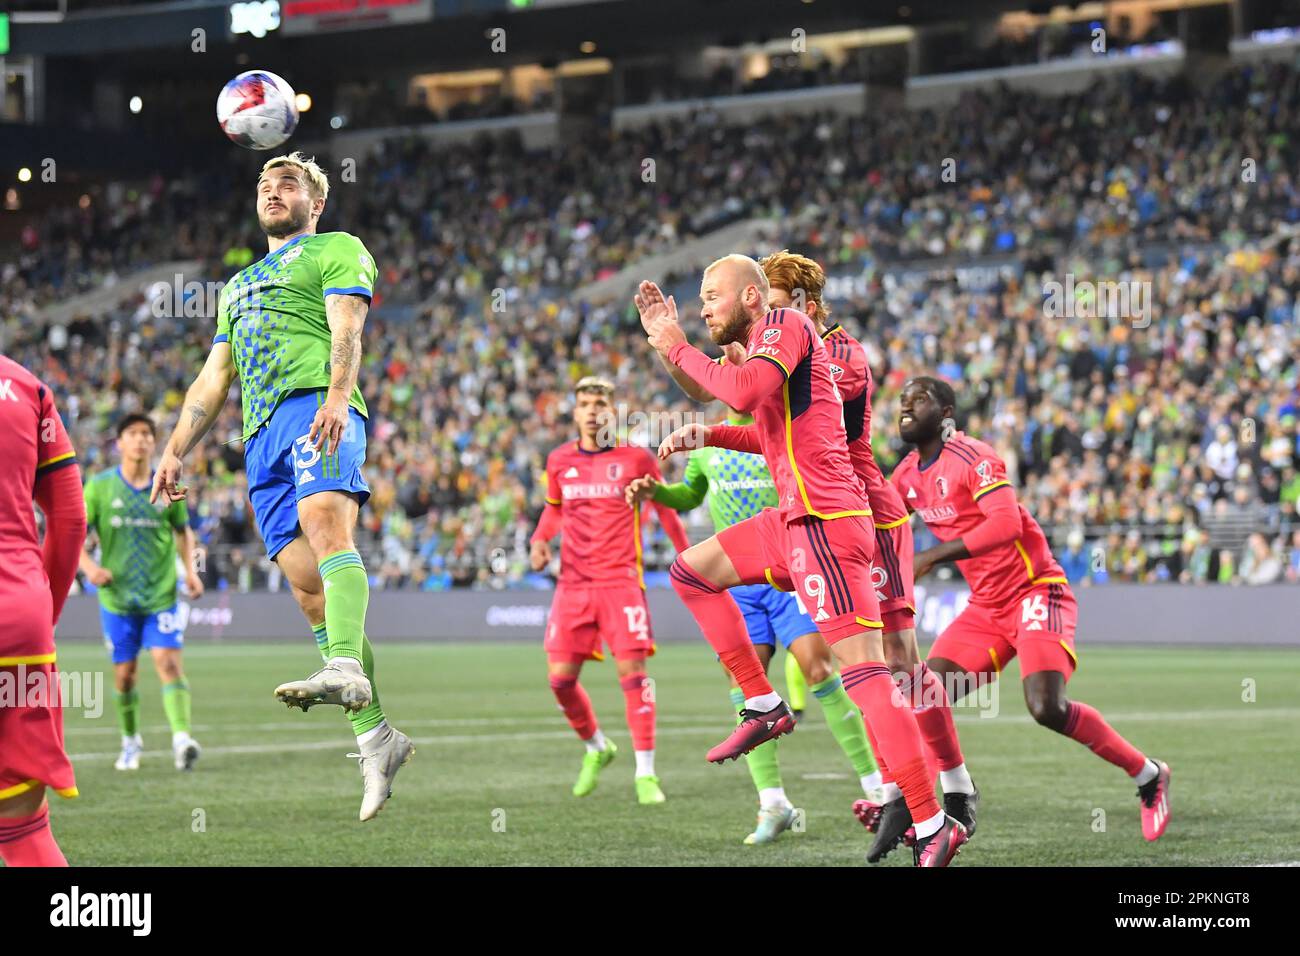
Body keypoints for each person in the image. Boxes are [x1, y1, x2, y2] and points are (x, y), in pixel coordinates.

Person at [639, 256, 967, 866]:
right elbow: (753, 416)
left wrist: (679, 343)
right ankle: (763, 704)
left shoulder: (788, 326)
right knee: (690, 570)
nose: (703, 305)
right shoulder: (767, 344)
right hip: (794, 519)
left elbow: (740, 389)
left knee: (870, 671)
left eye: (712, 295)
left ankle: (932, 818)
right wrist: (694, 405)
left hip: (827, 521)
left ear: (755, 299)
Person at [152, 151, 411, 822]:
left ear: (314, 201)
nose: (273, 191)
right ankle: (377, 738)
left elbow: (347, 324)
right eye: (266, 184)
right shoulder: (235, 288)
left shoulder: (334, 248)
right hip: (259, 436)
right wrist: (174, 450)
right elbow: (213, 382)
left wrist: (337, 395)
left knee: (328, 522)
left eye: (288, 183)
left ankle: (347, 671)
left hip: (313, 405)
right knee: (308, 587)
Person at [893, 375, 1171, 842]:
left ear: (945, 415)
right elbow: (879, 526)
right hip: (986, 608)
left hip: (1036, 592)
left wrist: (929, 557)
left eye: (918, 399)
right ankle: (955, 789)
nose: (905, 406)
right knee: (923, 692)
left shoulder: (974, 457)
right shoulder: (905, 476)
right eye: (902, 400)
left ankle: (1148, 774)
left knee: (1045, 707)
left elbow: (1004, 525)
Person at [627, 402, 884, 844]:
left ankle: (876, 787)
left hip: (791, 567)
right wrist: (657, 493)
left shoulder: (779, 430)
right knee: (748, 684)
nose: (732, 368)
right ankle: (773, 802)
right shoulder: (707, 446)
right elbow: (690, 495)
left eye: (738, 360)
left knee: (818, 666)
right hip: (737, 579)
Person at [530, 377, 691, 804]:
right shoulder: (560, 460)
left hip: (621, 583)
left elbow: (666, 509)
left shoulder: (637, 459)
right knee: (560, 681)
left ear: (612, 410)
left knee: (634, 677)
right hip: (573, 586)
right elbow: (553, 511)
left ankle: (645, 774)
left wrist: (688, 557)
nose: (592, 410)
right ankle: (597, 748)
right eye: (584, 403)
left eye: (600, 402)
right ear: (575, 410)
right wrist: (539, 540)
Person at [0, 354, 87, 866]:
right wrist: (39, 614)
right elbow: (70, 519)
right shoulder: (25, 387)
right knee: (23, 834)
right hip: (19, 622)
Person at [80, 414, 205, 772]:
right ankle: (130, 741)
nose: (140, 440)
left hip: (161, 594)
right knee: (125, 675)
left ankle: (182, 740)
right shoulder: (99, 487)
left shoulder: (167, 486)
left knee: (168, 662)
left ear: (154, 443)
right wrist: (90, 569)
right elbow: (76, 535)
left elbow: (183, 534)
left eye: (147, 435)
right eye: (132, 433)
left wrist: (191, 574)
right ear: (119, 443)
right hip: (117, 599)